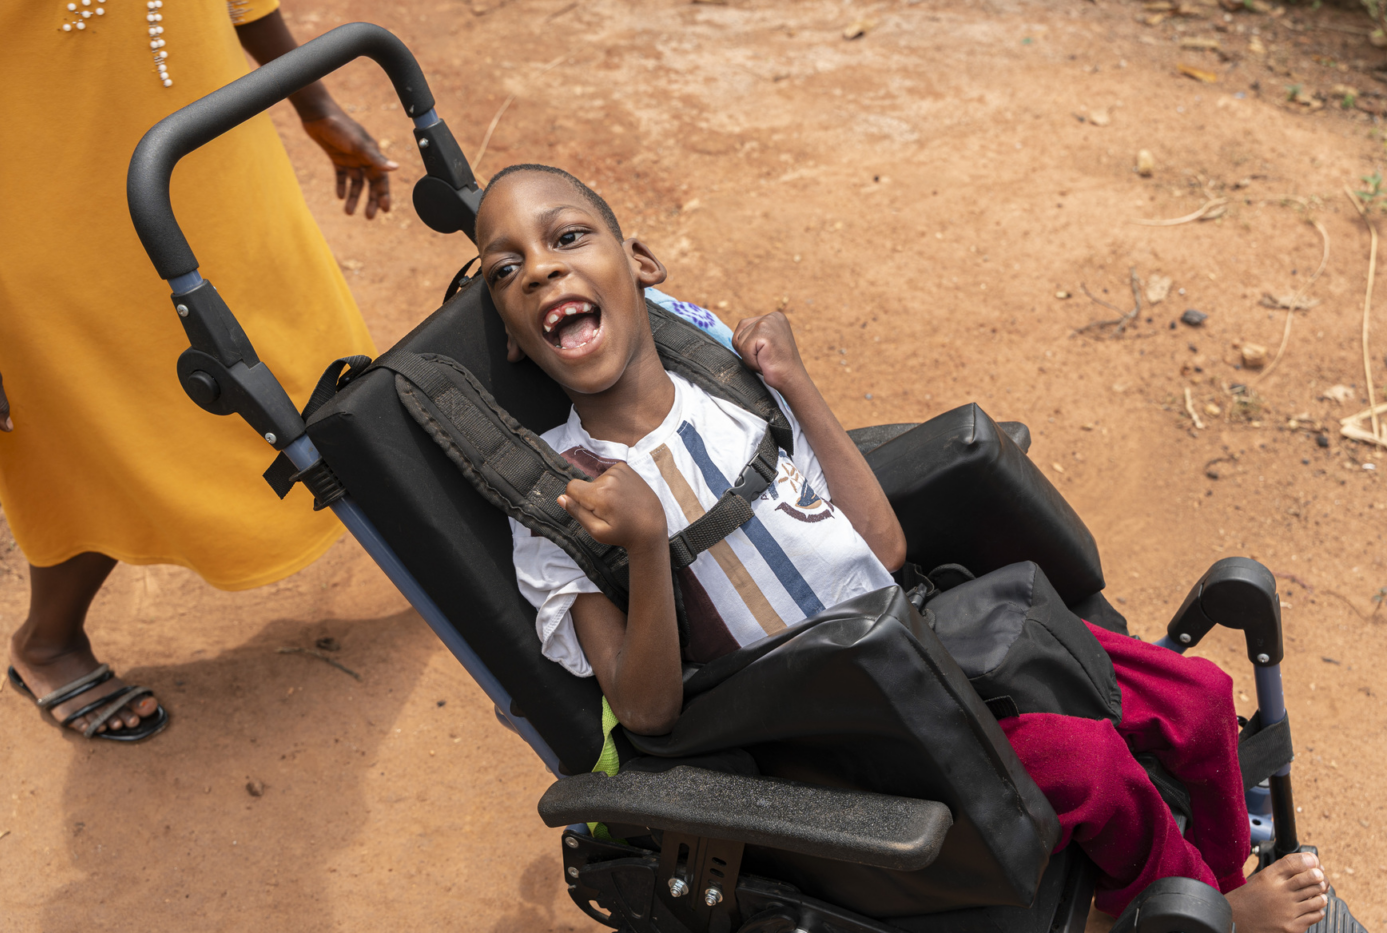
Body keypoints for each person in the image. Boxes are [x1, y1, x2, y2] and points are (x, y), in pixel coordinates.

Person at [473, 163, 1331, 933]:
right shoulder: (555, 500)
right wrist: (650, 545)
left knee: (1196, 693)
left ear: (642, 266)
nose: (541, 266)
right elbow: (648, 709)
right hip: (850, 735)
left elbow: (880, 546)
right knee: (1089, 765)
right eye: (506, 269)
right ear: (513, 335)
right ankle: (1206, 917)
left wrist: (796, 386)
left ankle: (1210, 887)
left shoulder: (726, 389)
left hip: (921, 631)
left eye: (568, 235)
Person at [0, 0, 390, 740]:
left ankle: (429, 545)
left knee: (311, 355)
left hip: (211, 160)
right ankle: (47, 642)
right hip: (40, 202)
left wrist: (313, 99)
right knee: (100, 424)